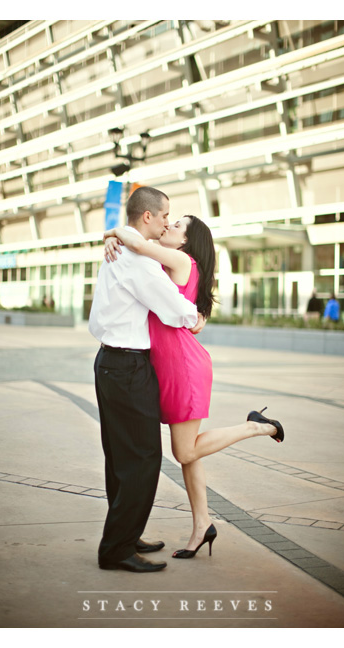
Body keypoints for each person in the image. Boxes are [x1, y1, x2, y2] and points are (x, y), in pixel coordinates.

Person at [103, 211, 284, 561]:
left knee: (184, 452)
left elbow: (138, 241)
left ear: (186, 239)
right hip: (170, 367)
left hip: (183, 367)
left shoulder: (181, 258)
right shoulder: (174, 262)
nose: (168, 226)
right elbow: (137, 249)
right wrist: (114, 241)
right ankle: (202, 524)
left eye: (176, 225)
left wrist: (113, 232)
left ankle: (256, 426)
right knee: (190, 451)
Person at [88, 186, 203, 574]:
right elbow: (171, 308)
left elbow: (129, 237)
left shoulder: (125, 247)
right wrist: (196, 318)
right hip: (127, 367)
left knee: (121, 456)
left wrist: (117, 232)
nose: (169, 220)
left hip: (110, 362)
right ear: (149, 217)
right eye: (165, 214)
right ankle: (117, 549)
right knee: (142, 458)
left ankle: (125, 533)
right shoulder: (138, 261)